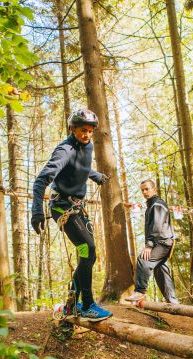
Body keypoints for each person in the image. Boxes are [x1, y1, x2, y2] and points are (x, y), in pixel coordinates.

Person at [30, 109, 112, 322]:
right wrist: (36, 210)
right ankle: (87, 305)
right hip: (61, 206)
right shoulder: (64, 150)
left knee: (89, 255)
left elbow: (80, 166)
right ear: (72, 128)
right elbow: (41, 181)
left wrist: (95, 175)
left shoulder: (88, 146)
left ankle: (71, 305)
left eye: (90, 131)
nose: (87, 135)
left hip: (78, 206)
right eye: (83, 130)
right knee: (88, 248)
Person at [125, 179, 179, 304]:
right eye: (142, 190)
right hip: (162, 242)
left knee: (144, 259)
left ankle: (140, 291)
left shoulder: (157, 205)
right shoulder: (152, 205)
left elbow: (157, 226)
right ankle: (172, 301)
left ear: (154, 189)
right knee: (160, 269)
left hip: (162, 242)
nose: (144, 192)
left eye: (147, 189)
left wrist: (149, 245)